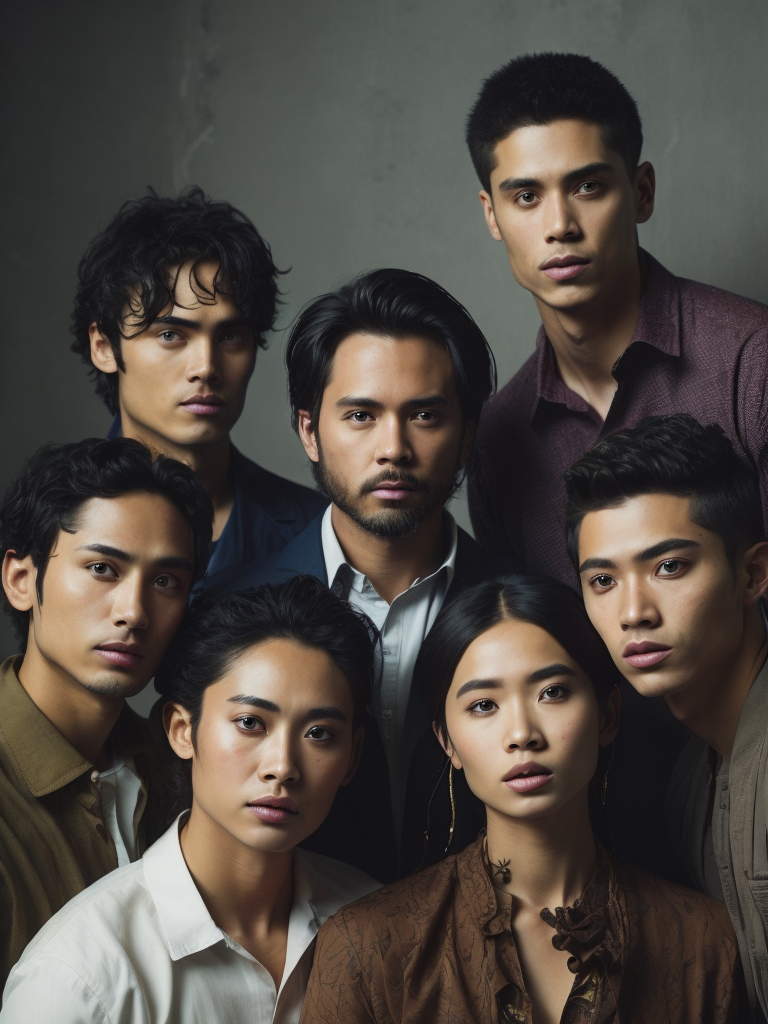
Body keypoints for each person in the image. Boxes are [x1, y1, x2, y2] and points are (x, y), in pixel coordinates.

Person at [301, 576, 739, 1023]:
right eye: (484, 705)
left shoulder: (703, 941)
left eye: (552, 692)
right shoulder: (368, 945)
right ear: (447, 740)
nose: (521, 735)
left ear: (608, 716)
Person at [206, 267, 515, 881]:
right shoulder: (226, 612)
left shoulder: (525, 614)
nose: (393, 447)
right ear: (308, 430)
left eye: (425, 415)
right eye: (361, 416)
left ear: (467, 435)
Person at [1, 577, 379, 1023]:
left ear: (351, 757)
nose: (282, 766)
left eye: (319, 734)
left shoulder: (379, 924)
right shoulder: (78, 976)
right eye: (250, 723)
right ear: (183, 730)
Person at [465, 52, 768, 588]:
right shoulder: (496, 437)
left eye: (587, 187)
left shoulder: (752, 362)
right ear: (492, 214)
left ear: (641, 193)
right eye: (527, 196)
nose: (559, 225)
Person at [565, 412, 768, 1019]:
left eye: (669, 567)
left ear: (753, 574)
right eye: (603, 580)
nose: (634, 612)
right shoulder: (689, 780)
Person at [0, 436, 212, 985]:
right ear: (22, 579)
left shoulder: (182, 770)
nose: (134, 611)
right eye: (102, 568)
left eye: (165, 581)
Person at [70, 186, 327, 580]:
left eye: (230, 337)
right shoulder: (54, 520)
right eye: (171, 335)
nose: (206, 367)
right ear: (104, 346)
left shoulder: (319, 532)